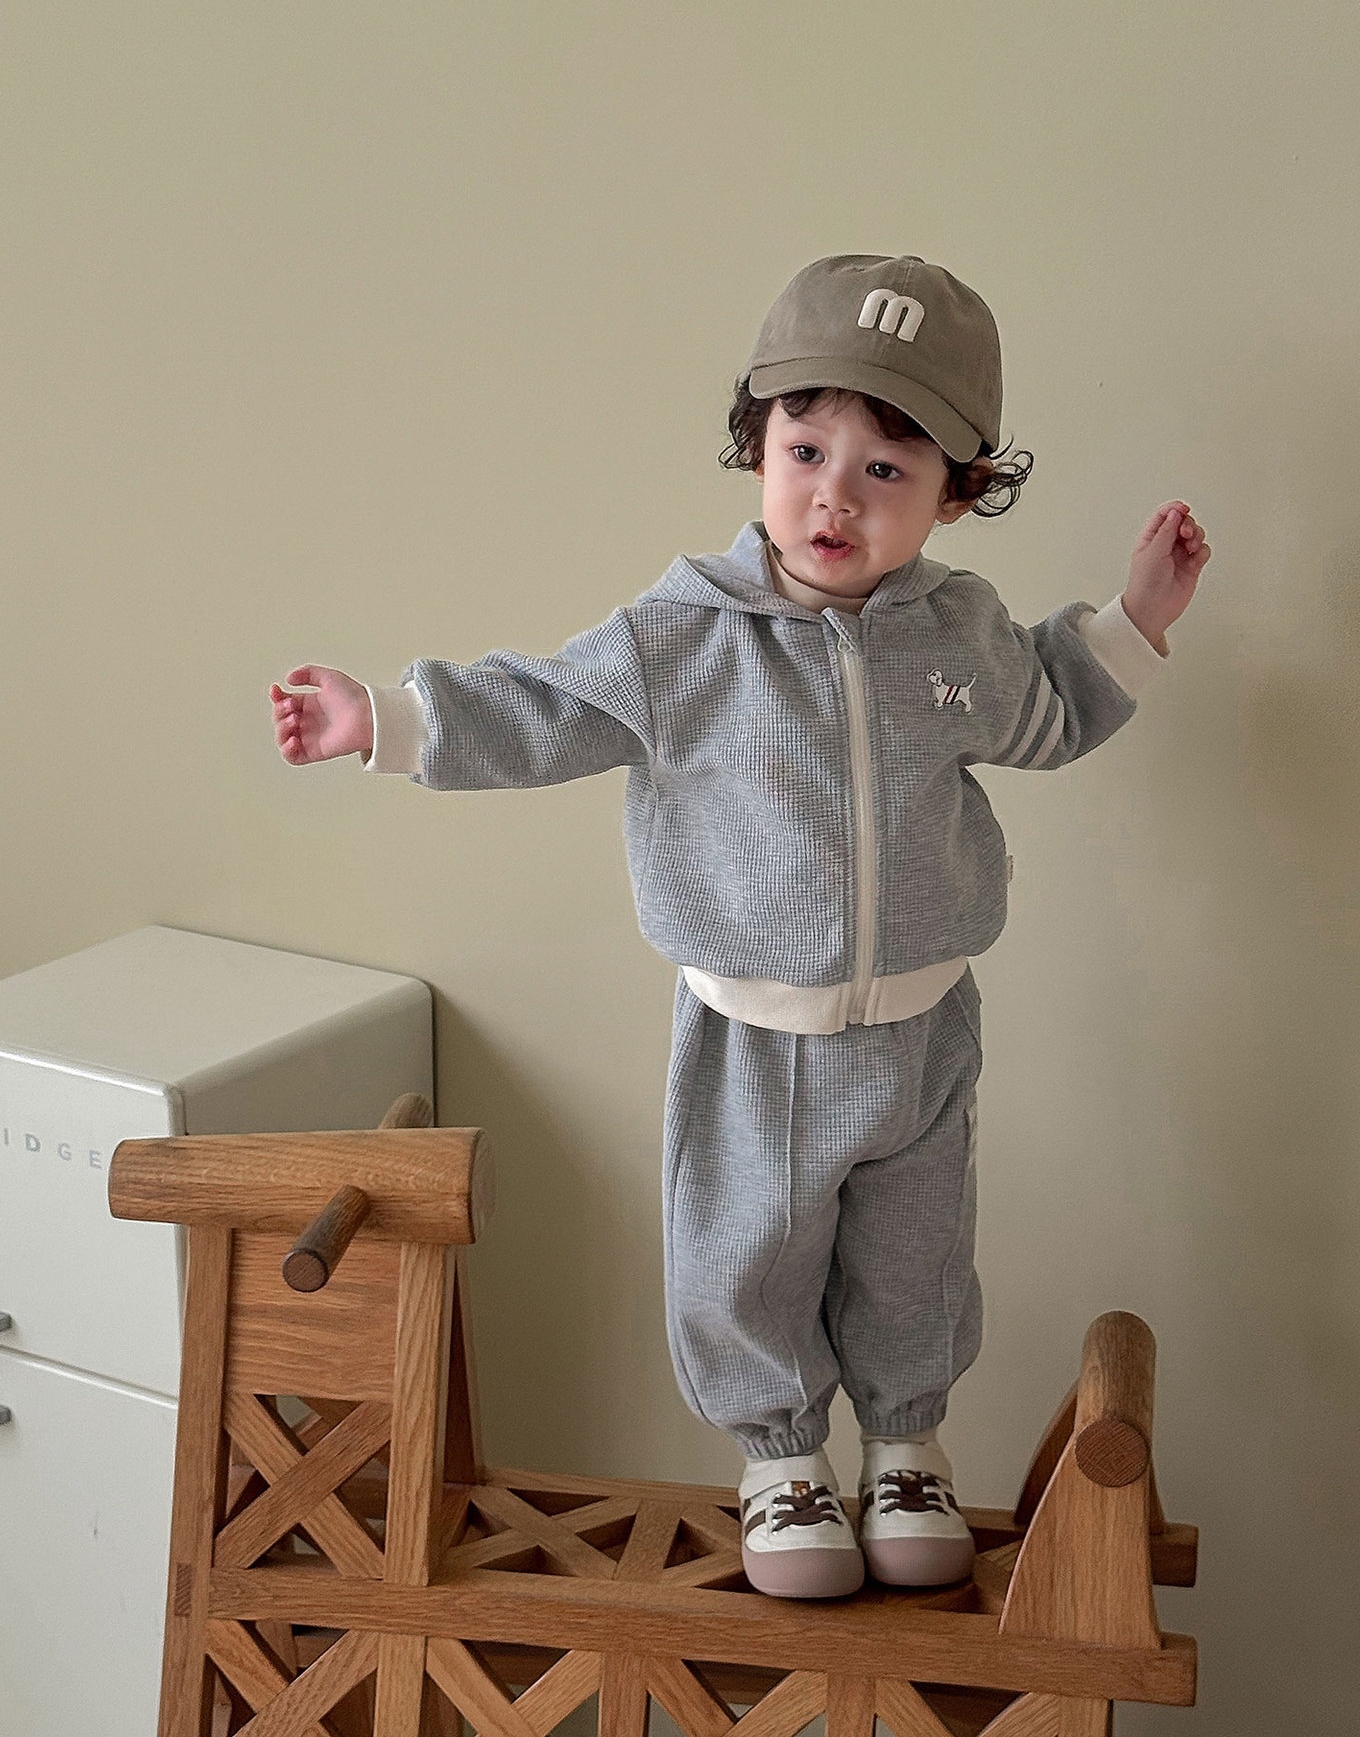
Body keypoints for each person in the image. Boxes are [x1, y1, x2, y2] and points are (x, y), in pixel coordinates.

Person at [270, 253, 1211, 1601]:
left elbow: (1047, 709)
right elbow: (548, 707)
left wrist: (1138, 618)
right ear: (756, 445)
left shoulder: (957, 637)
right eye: (806, 450)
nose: (836, 495)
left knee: (916, 1258)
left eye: (887, 469)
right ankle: (783, 1462)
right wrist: (390, 720)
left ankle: (905, 1446)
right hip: (752, 1042)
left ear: (955, 492)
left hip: (924, 1033)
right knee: (749, 1258)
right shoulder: (685, 638)